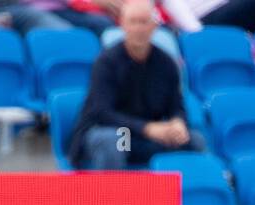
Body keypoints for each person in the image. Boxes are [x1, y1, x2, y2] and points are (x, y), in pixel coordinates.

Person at [70, 0, 203, 170]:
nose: (139, 28)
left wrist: (178, 123)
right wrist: (148, 128)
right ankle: (115, 196)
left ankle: (191, 194)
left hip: (148, 137)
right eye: (133, 22)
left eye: (144, 22)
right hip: (117, 134)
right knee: (114, 141)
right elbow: (102, 113)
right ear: (123, 25)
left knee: (195, 140)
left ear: (154, 26)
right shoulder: (106, 63)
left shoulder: (166, 63)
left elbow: (176, 105)